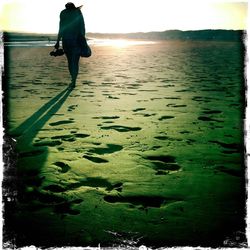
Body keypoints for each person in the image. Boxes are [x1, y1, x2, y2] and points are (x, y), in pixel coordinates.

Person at [55, 2, 85, 88]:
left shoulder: (64, 13)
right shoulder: (77, 12)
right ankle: (74, 80)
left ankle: (73, 79)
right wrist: (82, 39)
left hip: (67, 41)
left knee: (70, 62)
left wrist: (58, 41)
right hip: (76, 41)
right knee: (75, 62)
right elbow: (82, 27)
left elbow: (61, 28)